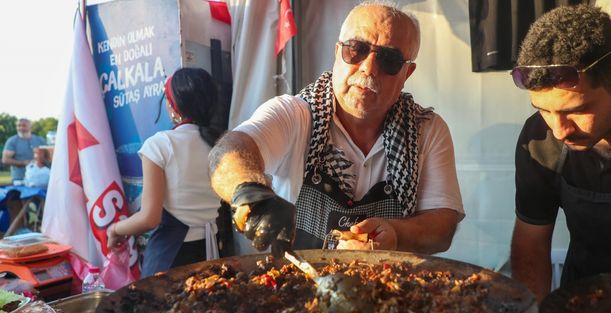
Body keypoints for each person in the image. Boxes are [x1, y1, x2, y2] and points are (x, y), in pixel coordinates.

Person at [208, 2, 465, 257]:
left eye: (389, 59)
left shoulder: (427, 130)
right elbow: (229, 152)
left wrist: (397, 234)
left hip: (389, 289)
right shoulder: (294, 114)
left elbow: (442, 226)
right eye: (357, 49)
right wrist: (252, 193)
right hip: (300, 288)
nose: (368, 68)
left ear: (407, 73)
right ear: (337, 52)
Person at [510, 4, 611, 301]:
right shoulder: (539, 139)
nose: (559, 130)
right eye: (543, 110)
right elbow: (532, 243)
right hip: (581, 304)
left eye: (577, 110)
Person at [107, 67, 226, 277]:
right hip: (212, 251)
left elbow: (149, 218)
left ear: (173, 107)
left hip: (171, 257)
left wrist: (115, 229)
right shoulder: (222, 144)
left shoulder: (160, 144)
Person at [2, 118, 46, 183]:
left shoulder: (40, 140)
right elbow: (5, 160)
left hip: (40, 179)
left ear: (31, 126)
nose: (21, 128)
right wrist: (24, 162)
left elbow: (49, 156)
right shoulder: (12, 141)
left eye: (24, 125)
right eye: (18, 126)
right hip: (19, 180)